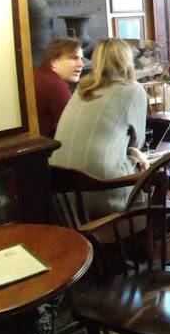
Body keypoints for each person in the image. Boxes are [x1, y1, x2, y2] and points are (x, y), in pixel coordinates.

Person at [49, 39, 151, 217]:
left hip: (63, 198)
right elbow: (138, 142)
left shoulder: (82, 88)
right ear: (127, 59)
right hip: (101, 192)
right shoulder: (133, 91)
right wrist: (133, 151)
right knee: (152, 178)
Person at [33, 37, 84, 137]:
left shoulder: (38, 75)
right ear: (54, 61)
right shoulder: (56, 86)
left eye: (81, 59)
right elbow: (74, 128)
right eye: (74, 58)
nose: (81, 64)